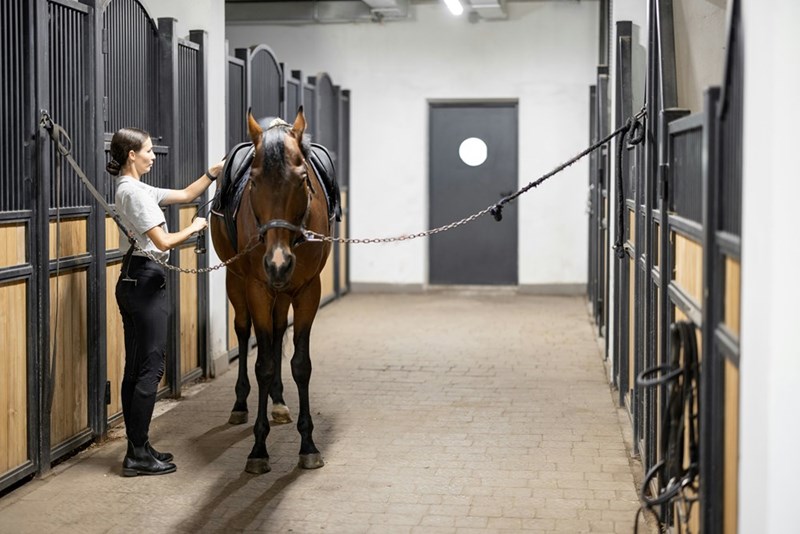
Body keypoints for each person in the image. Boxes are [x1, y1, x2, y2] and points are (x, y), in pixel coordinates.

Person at [107, 127, 224, 477]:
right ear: (132, 155)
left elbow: (188, 193)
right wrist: (195, 227)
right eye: (148, 150)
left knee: (136, 367)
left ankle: (138, 446)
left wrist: (211, 173)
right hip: (145, 281)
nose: (153, 155)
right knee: (151, 367)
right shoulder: (134, 193)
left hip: (135, 278)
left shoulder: (138, 188)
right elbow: (163, 241)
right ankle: (137, 454)